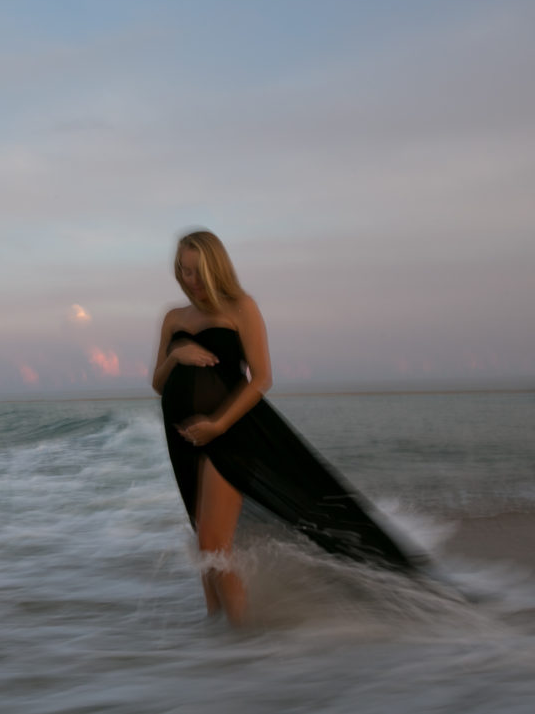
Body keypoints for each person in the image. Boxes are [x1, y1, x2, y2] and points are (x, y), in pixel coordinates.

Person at [152, 230, 426, 625]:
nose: (188, 279)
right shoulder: (174, 318)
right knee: (204, 545)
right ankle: (215, 634)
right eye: (182, 270)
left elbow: (261, 378)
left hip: (229, 434)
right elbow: (157, 383)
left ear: (215, 270)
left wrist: (218, 424)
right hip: (183, 438)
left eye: (196, 271)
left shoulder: (240, 307)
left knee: (213, 544)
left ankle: (242, 641)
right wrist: (176, 354)